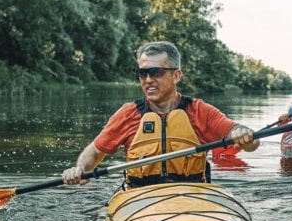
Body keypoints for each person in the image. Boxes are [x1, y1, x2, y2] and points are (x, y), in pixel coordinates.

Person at [62, 41, 259, 188]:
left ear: (176, 75)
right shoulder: (128, 114)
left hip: (193, 196)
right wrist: (80, 169)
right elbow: (95, 152)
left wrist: (243, 134)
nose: (148, 80)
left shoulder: (199, 111)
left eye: (155, 72)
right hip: (140, 200)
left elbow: (251, 143)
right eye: (142, 73)